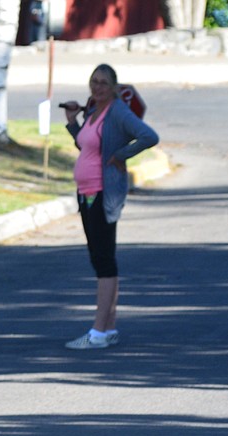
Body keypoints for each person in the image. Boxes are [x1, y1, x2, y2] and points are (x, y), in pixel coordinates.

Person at [60, 64, 158, 350]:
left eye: (103, 83)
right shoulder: (93, 110)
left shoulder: (117, 112)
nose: (97, 87)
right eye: (94, 82)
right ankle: (108, 328)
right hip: (86, 193)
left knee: (104, 262)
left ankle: (99, 332)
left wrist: (121, 155)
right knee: (100, 260)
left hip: (104, 193)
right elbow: (87, 147)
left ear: (115, 87)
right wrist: (72, 121)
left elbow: (149, 136)